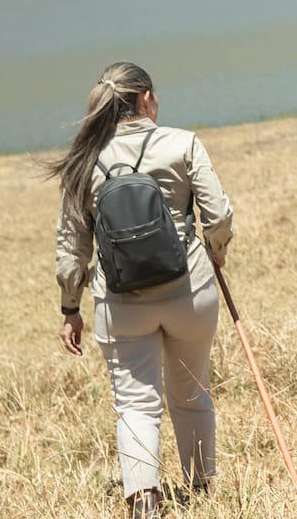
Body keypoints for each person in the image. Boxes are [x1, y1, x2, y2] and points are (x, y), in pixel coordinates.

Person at [50, 61, 236, 518]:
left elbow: (71, 246)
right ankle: (202, 489)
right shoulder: (182, 142)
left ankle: (143, 503)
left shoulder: (83, 160)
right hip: (190, 290)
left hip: (120, 302)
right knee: (192, 392)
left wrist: (70, 307)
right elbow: (218, 216)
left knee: (136, 403)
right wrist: (216, 251)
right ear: (146, 97)